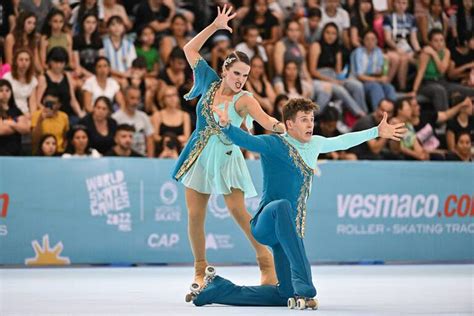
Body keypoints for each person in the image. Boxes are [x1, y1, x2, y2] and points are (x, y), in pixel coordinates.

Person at [190, 97, 406, 307]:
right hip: (266, 222)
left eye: (312, 119)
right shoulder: (274, 143)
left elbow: (343, 141)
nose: (310, 124)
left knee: (283, 294)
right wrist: (227, 127)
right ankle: (305, 287)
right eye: (304, 119)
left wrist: (376, 131)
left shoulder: (315, 144)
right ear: (289, 124)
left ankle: (217, 289)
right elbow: (248, 141)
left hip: (287, 231)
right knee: (283, 205)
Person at [172, 5, 284, 289]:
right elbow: (188, 49)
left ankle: (265, 261)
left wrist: (286, 128)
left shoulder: (245, 99)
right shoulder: (208, 81)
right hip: (198, 155)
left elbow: (267, 121)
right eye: (236, 73)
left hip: (227, 156)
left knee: (237, 211)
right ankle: (199, 269)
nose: (240, 79)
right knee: (196, 215)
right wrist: (213, 27)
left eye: (245, 75)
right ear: (224, 70)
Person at [112, 86, 154, 157]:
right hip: (122, 158)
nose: (135, 102)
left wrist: (150, 160)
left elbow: (150, 140)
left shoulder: (144, 116)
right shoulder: (115, 118)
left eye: (138, 99)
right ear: (125, 98)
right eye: (132, 98)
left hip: (141, 158)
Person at [0, 79, 30, 156]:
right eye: (1, 90)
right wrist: (17, 125)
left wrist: (11, 123)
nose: (4, 93)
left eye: (7, 90)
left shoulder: (16, 110)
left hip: (16, 150)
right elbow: (2, 130)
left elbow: (26, 128)